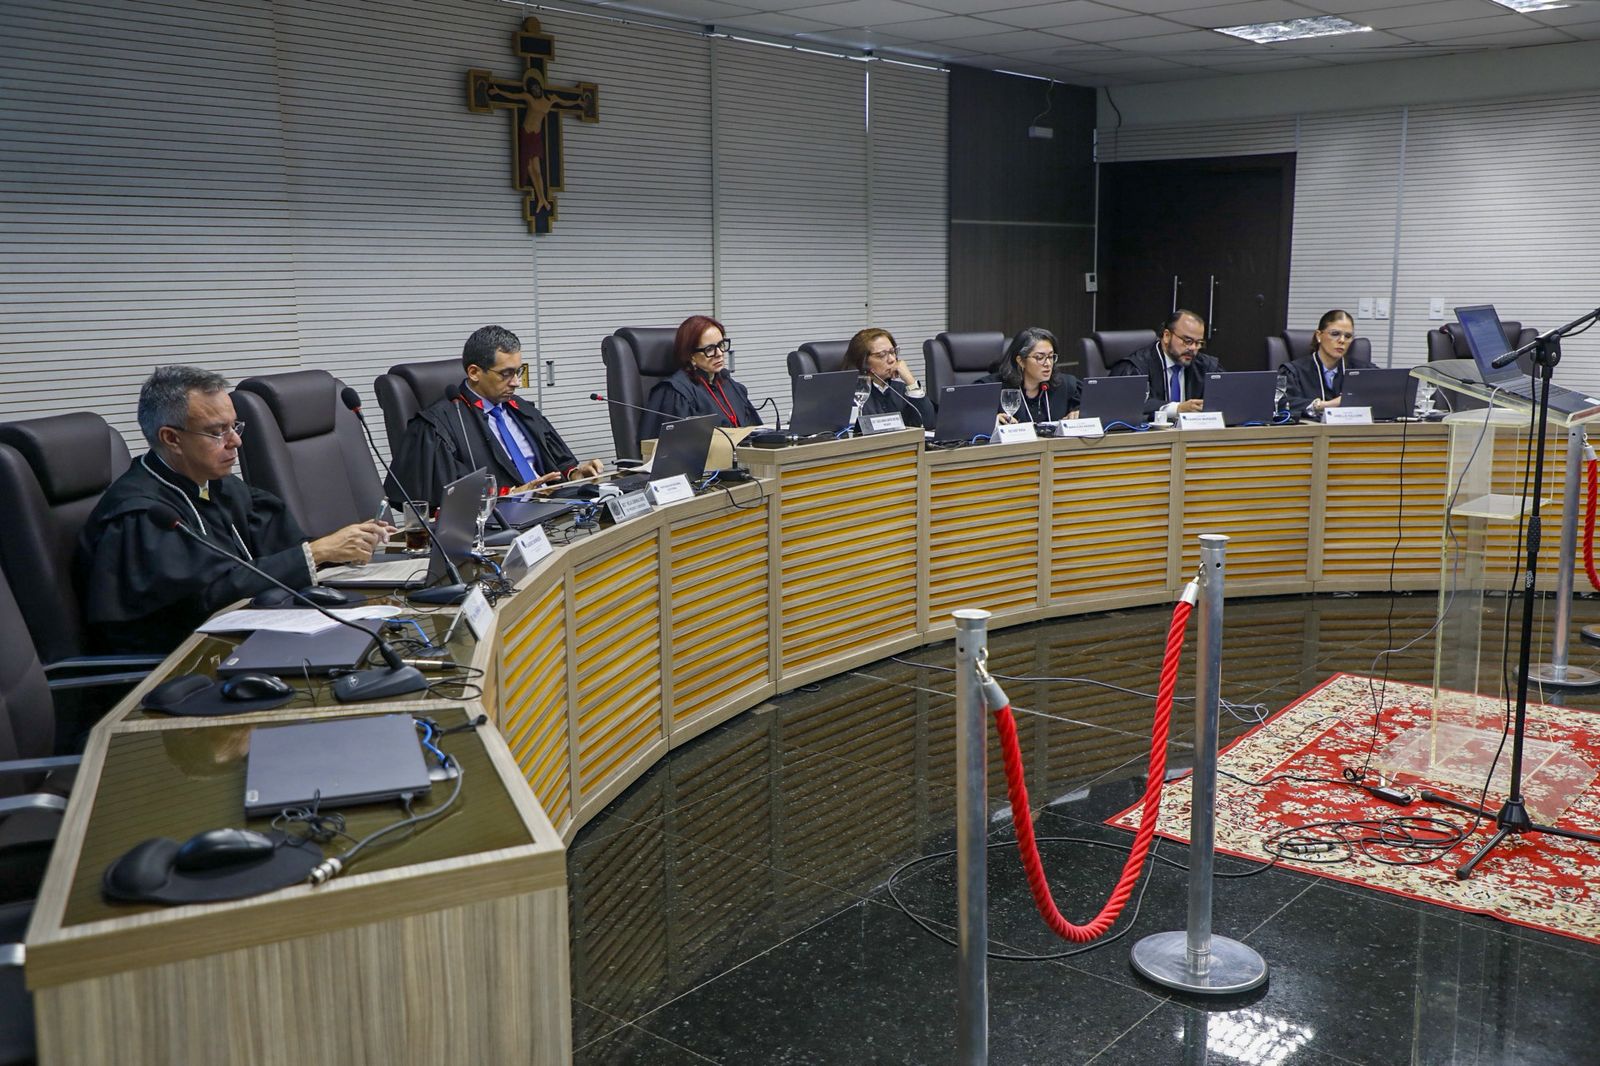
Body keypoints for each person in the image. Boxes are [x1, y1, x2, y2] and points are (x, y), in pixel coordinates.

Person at [76, 366, 390, 655]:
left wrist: (340, 548)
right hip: (180, 664)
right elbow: (201, 599)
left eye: (234, 426)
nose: (236, 441)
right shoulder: (143, 515)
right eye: (218, 432)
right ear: (171, 439)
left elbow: (281, 548)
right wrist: (316, 553)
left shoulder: (214, 484)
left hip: (248, 640)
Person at [388, 325, 604, 507]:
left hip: (552, 509)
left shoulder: (520, 408)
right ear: (474, 372)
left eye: (518, 372)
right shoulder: (440, 424)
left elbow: (557, 462)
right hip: (498, 520)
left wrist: (576, 474)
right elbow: (444, 492)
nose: (516, 382)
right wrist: (514, 493)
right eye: (506, 374)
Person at [640, 315, 762, 440]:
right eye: (710, 349)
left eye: (721, 345)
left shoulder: (731, 386)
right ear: (690, 355)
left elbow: (758, 434)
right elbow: (675, 446)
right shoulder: (676, 393)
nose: (719, 353)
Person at [1108, 309, 1222, 421]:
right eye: (1188, 341)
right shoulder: (1135, 367)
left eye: (1198, 343)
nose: (1193, 348)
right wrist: (1177, 409)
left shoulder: (1207, 366)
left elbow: (1225, 401)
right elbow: (1125, 406)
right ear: (1167, 336)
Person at [1277, 309, 1372, 418]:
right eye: (1335, 334)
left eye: (1348, 336)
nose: (1342, 340)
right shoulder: (1293, 371)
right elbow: (1280, 403)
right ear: (1318, 336)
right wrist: (1324, 405)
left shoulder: (1364, 371)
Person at [979, 327, 1082, 424]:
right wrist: (992, 421)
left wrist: (1078, 413)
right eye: (1039, 357)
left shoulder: (1067, 385)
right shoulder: (990, 389)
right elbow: (973, 418)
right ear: (1021, 361)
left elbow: (1088, 407)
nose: (1048, 364)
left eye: (1050, 357)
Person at [842, 328, 936, 428]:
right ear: (863, 362)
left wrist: (910, 381)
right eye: (882, 355)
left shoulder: (902, 390)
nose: (892, 359)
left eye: (892, 352)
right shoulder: (854, 395)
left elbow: (928, 424)